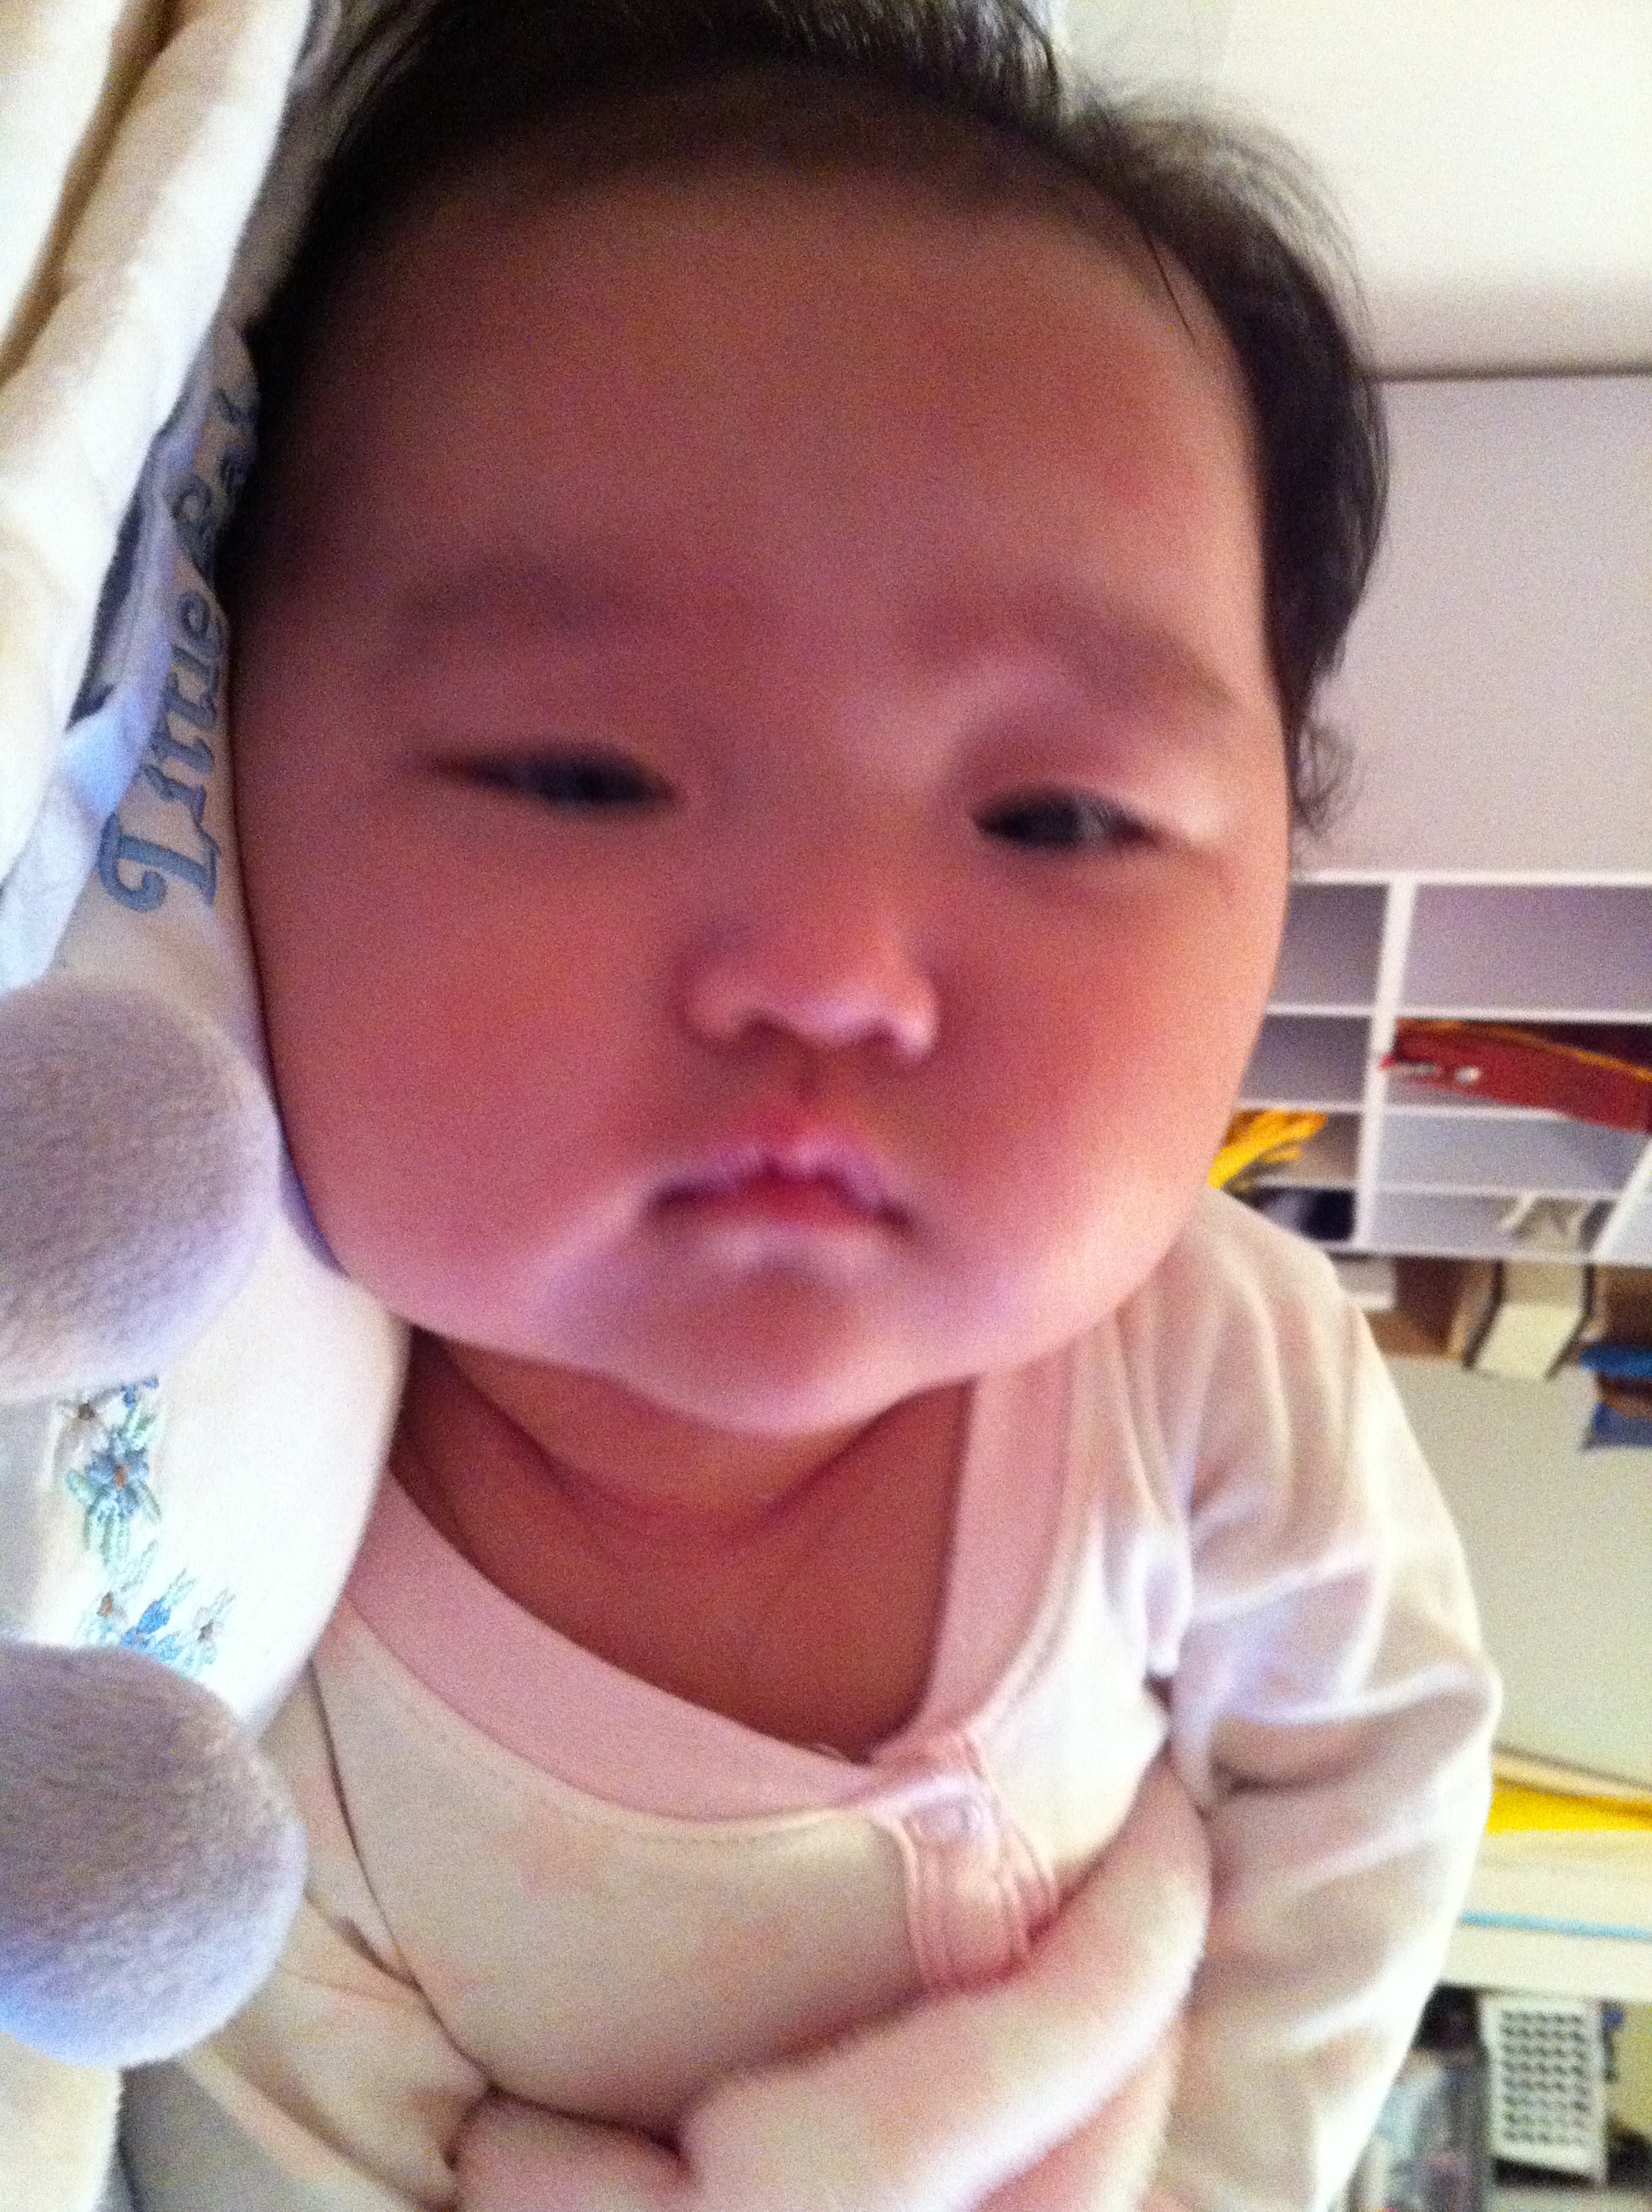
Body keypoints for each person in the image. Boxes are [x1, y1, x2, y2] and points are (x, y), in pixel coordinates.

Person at [124, 1, 1498, 2204]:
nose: (832, 972)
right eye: (578, 774)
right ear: (218, 784)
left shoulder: (1208, 1366)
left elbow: (1377, 1779)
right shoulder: (227, 1630)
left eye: (1057, 818)